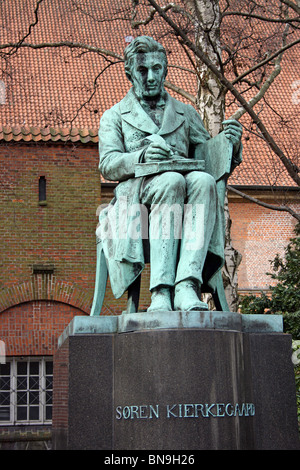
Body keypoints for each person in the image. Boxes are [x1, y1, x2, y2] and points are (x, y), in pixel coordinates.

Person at [97, 36, 242, 312]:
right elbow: (108, 163)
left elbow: (207, 157)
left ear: (165, 70)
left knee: (203, 180)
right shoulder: (114, 116)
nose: (151, 77)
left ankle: (187, 284)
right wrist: (140, 156)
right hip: (137, 197)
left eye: (156, 69)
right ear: (130, 72)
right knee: (171, 181)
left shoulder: (185, 113)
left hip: (184, 189)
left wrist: (230, 143)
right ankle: (161, 291)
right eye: (142, 70)